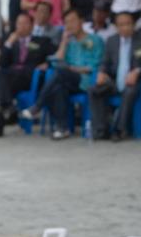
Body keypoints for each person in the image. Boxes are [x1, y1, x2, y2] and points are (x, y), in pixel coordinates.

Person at [22, 8, 105, 140]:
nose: (70, 25)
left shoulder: (95, 40)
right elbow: (56, 61)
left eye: (73, 21)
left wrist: (76, 69)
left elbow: (97, 64)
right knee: (58, 85)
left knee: (60, 74)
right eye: (66, 23)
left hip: (87, 80)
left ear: (81, 21)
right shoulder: (70, 43)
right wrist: (64, 42)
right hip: (69, 79)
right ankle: (63, 128)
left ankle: (37, 106)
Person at [90, 10, 141, 140]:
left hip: (134, 82)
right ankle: (101, 129)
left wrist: (137, 72)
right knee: (94, 90)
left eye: (128, 24)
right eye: (121, 24)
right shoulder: (111, 41)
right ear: (116, 26)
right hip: (114, 81)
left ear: (134, 24)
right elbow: (105, 62)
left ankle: (120, 129)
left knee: (129, 91)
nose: (125, 27)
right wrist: (102, 73)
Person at [0, 11, 54, 137]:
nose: (21, 26)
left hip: (30, 77)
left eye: (25, 23)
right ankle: (7, 106)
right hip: (13, 78)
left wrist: (47, 63)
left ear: (31, 25)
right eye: (19, 23)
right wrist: (8, 43)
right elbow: (2, 63)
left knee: (2, 82)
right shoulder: (12, 42)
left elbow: (53, 55)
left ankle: (3, 114)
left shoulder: (42, 41)